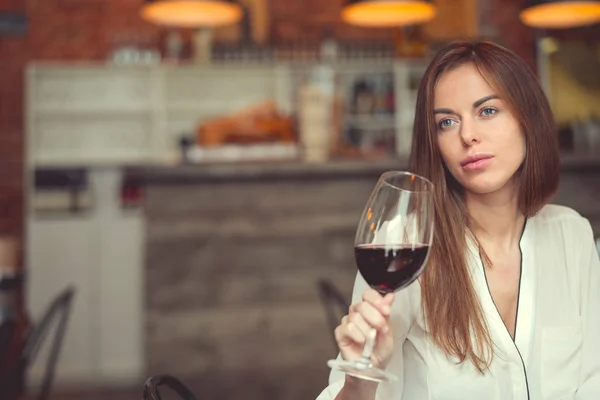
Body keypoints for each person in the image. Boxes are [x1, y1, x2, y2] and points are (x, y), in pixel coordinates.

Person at [316, 40, 600, 400]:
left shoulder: (571, 235)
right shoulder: (405, 243)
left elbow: (594, 380)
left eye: (487, 111)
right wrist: (361, 377)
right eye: (446, 122)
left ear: (528, 118)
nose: (467, 135)